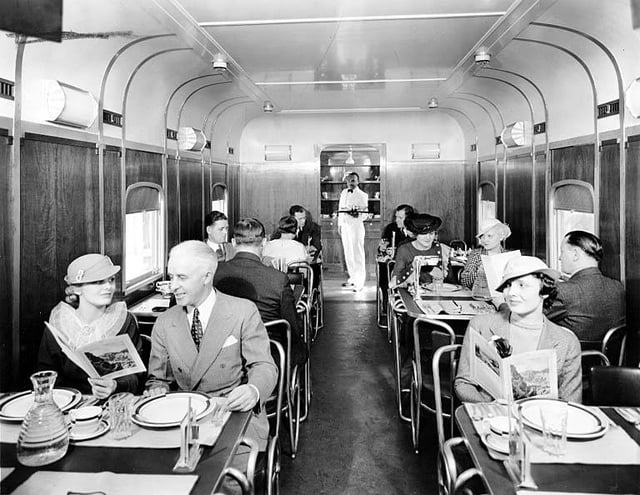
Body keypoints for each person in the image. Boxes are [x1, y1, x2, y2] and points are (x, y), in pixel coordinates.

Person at [145, 241, 277, 485]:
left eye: (181, 277)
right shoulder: (164, 322)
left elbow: (264, 366)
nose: (173, 286)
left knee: (222, 481)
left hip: (231, 415)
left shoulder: (243, 311)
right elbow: (158, 379)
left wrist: (253, 389)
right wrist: (157, 390)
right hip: (183, 421)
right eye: (171, 276)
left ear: (207, 276)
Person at [455, 256, 582, 403]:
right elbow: (463, 384)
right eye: (508, 285)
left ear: (544, 291)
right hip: (489, 419)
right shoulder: (481, 326)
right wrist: (489, 406)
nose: (511, 293)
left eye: (522, 285)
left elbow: (571, 403)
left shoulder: (566, 342)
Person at [37, 254, 143, 398]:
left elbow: (136, 377)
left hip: (115, 402)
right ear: (76, 289)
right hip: (71, 405)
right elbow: (47, 376)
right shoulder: (59, 324)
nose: (108, 287)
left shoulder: (123, 320)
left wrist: (115, 385)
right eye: (99, 282)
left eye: (111, 280)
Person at [214, 218, 307, 369]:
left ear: (233, 242)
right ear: (264, 242)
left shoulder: (215, 271)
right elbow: (292, 326)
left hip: (221, 352)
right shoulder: (277, 279)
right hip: (267, 353)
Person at [546, 230, 626, 346]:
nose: (559, 258)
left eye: (562, 252)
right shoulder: (617, 287)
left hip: (570, 361)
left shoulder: (562, 291)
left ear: (575, 254)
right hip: (607, 360)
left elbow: (532, 317)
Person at [389, 213, 452, 288]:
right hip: (411, 295)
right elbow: (394, 283)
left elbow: (451, 282)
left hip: (437, 294)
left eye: (431, 234)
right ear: (416, 234)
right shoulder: (404, 249)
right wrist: (416, 267)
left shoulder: (442, 249)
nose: (428, 238)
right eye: (424, 234)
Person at [460, 218, 512, 292]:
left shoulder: (508, 257)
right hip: (481, 296)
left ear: (501, 237)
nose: (485, 240)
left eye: (489, 236)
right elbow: (464, 281)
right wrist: (479, 273)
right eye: (482, 236)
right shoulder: (476, 254)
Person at [338, 172, 369, 292]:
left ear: (358, 182)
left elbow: (365, 215)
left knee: (357, 253)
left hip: (356, 227)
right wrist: (340, 225)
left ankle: (360, 282)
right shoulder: (343, 193)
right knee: (348, 253)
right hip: (345, 227)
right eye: (348, 180)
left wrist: (357, 215)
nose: (350, 183)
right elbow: (340, 209)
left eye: (353, 180)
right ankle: (353, 278)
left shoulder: (363, 195)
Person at [290, 204, 323, 288]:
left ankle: (309, 293)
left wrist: (303, 249)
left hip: (308, 261)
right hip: (291, 261)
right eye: (300, 219)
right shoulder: (286, 227)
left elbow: (317, 245)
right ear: (292, 218)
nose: (303, 221)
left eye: (304, 218)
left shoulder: (313, 227)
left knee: (314, 269)